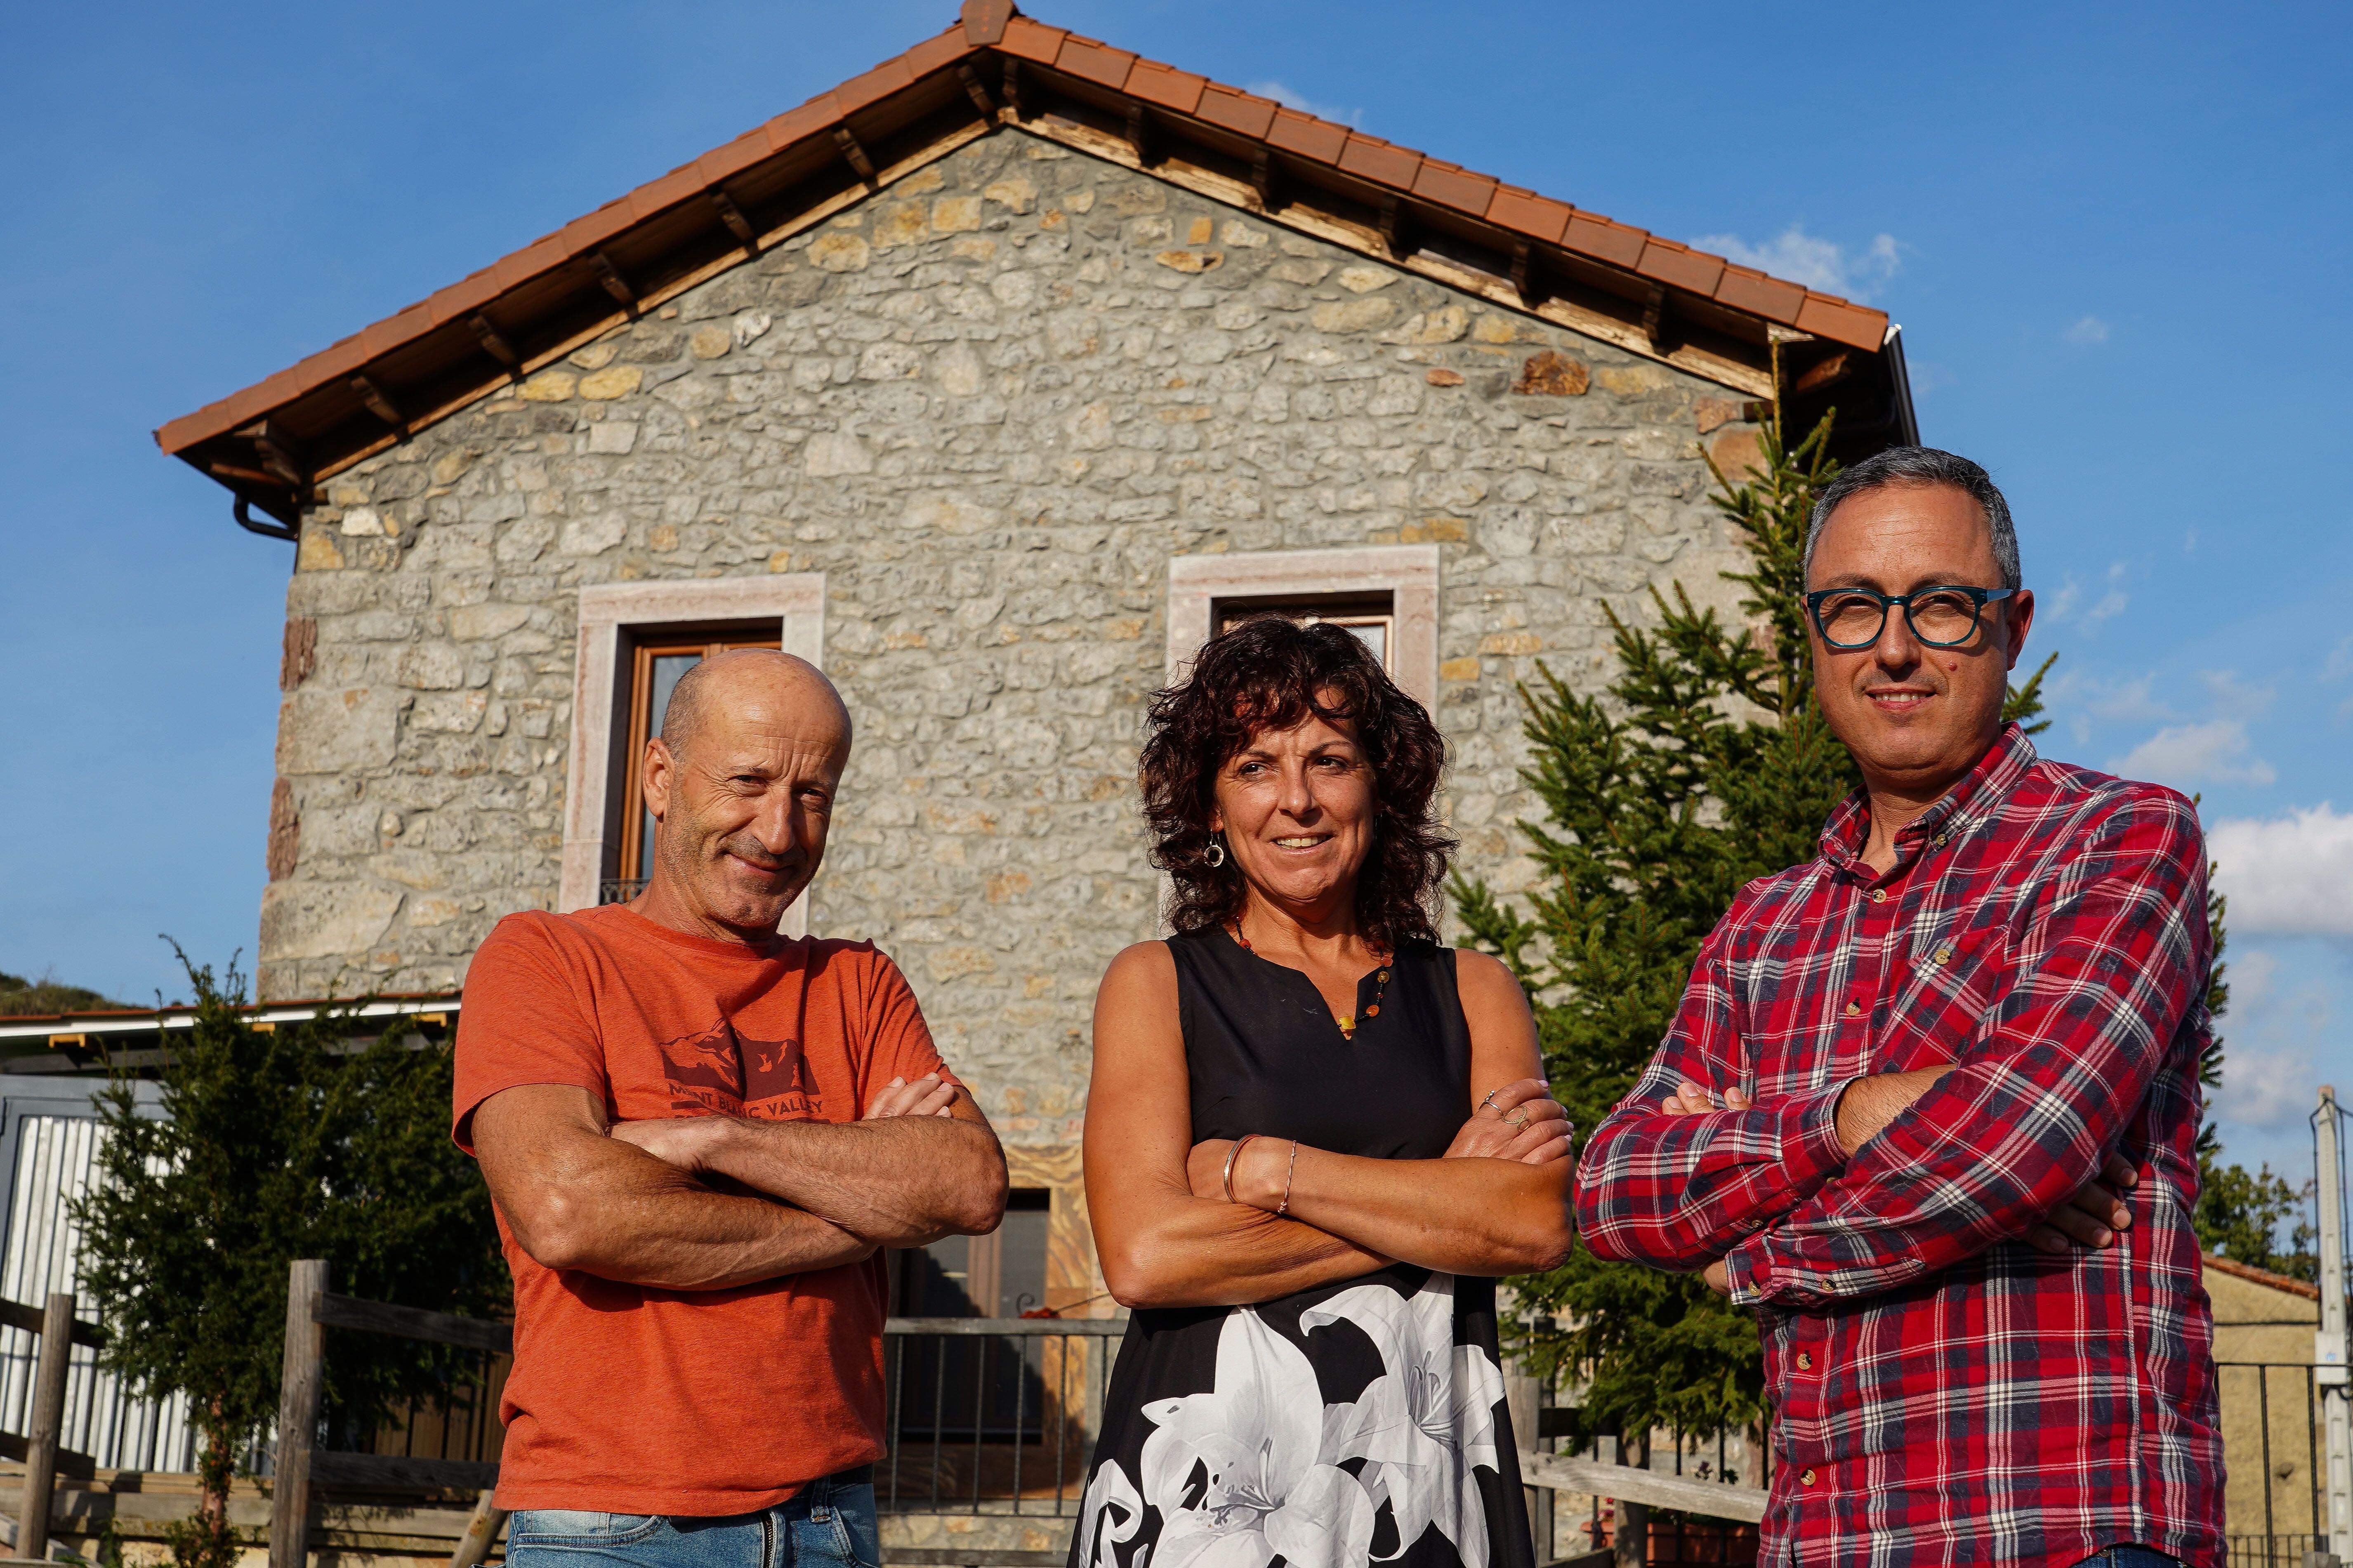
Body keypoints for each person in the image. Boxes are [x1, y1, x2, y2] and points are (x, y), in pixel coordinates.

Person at [1576, 448, 2222, 1568]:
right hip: (1822, 1539)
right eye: (1853, 609)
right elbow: (1612, 1187)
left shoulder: (2120, 842)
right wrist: (1849, 1117)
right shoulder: (1761, 925)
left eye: (1940, 606)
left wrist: (1739, 1251)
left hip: (2055, 1531)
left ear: (2012, 626)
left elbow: (2011, 1148)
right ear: (1812, 637)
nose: (1893, 646)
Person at [453, 649, 1009, 1565]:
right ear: (660, 778)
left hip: (828, 1519)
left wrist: (711, 1137)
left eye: (815, 793)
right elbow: (567, 1208)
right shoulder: (543, 960)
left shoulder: (856, 981)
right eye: (747, 782)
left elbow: (969, 1182)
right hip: (615, 1522)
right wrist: (860, 1214)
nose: (780, 829)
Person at [1070, 617, 1575, 1568]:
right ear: (1210, 809)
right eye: (1255, 766)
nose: (1296, 801)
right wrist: (1437, 1197)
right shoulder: (1154, 982)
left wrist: (1268, 1169)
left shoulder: (1475, 989)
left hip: (1421, 1484)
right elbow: (1143, 1256)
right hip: (1207, 1500)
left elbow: (1531, 1224)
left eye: (1330, 761)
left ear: (1379, 787)